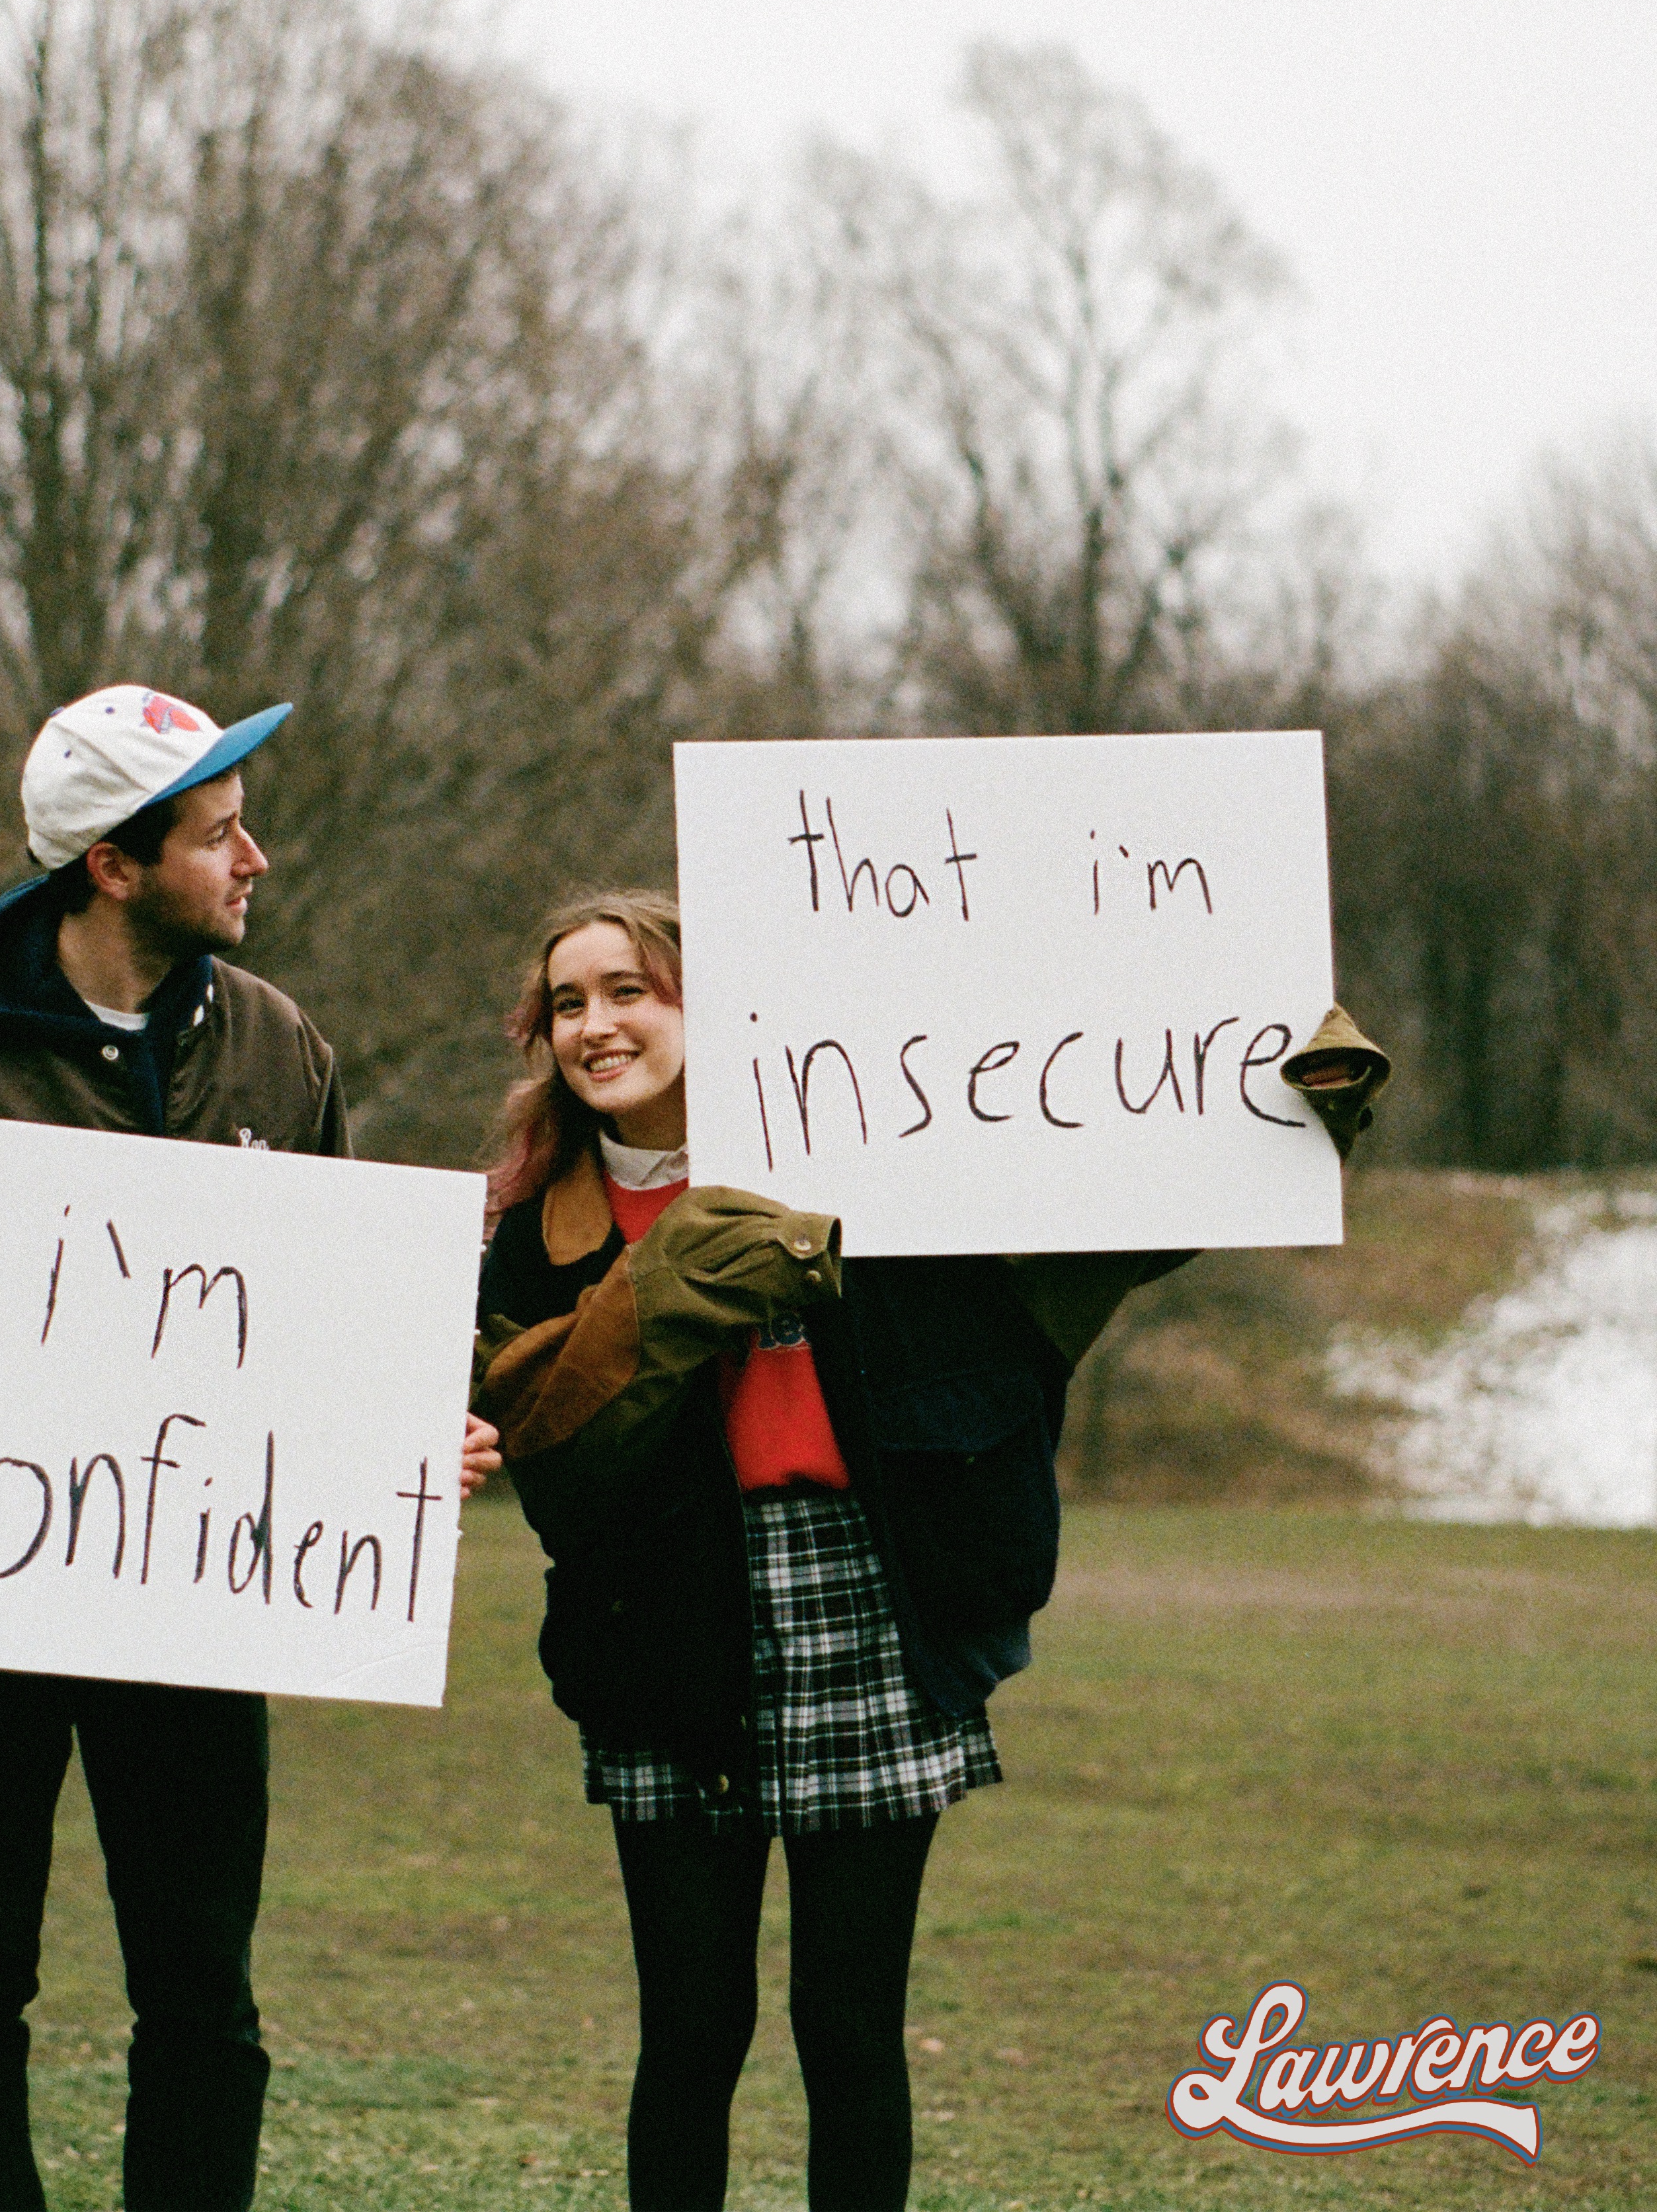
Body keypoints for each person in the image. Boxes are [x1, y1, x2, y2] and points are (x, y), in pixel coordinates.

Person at [469, 890, 1385, 2212]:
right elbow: (537, 1449)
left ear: (711, 1007)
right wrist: (650, 1300)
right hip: (659, 1623)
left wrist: (1281, 1110)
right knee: (690, 2030)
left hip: (862, 1598)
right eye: (568, 1003)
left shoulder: (876, 1143)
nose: (596, 1025)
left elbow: (1104, 1215)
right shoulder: (531, 1231)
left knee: (848, 2027)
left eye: (632, 990)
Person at [0, 684, 503, 2212]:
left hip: (196, 1614)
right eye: (218, 835)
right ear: (112, 866)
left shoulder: (276, 1044)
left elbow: (333, 1310)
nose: (254, 858)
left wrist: (408, 1426)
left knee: (201, 1990)